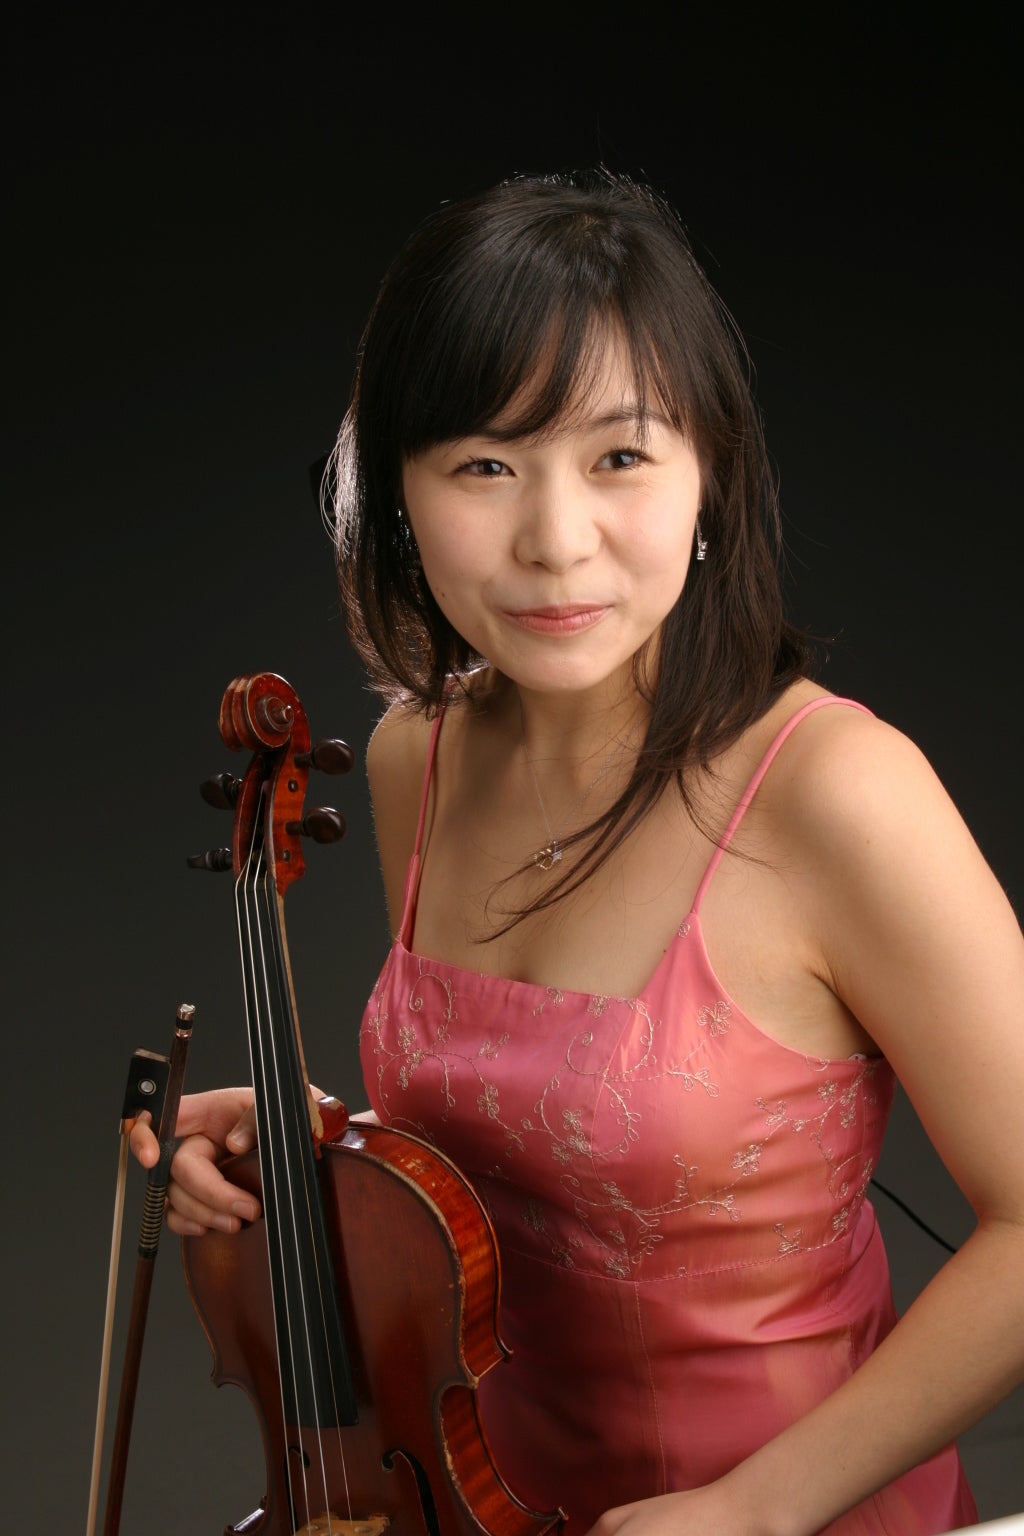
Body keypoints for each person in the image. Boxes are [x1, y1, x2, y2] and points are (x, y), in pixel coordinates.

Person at [131, 168, 1024, 1535]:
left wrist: (757, 1509)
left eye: (620, 458)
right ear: (395, 493)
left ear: (709, 475)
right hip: (483, 1505)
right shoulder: (415, 758)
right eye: (484, 466)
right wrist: (319, 1150)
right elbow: (519, 1172)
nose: (555, 542)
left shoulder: (838, 791)